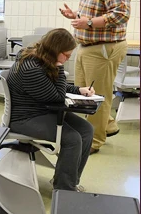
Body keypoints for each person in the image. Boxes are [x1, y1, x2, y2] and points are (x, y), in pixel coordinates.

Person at [58, 0, 131, 155]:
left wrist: (88, 22)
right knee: (83, 90)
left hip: (103, 48)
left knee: (96, 95)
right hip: (88, 47)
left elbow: (121, 14)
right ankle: (108, 124)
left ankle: (95, 141)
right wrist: (77, 17)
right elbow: (99, 13)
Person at [7, 29, 95, 191]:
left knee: (86, 129)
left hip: (41, 111)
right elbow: (57, 96)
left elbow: (50, 88)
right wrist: (60, 68)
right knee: (72, 139)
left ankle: (69, 180)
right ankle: (64, 190)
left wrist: (78, 90)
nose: (68, 59)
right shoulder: (31, 68)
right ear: (55, 50)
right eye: (66, 55)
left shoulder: (41, 59)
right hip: (23, 118)